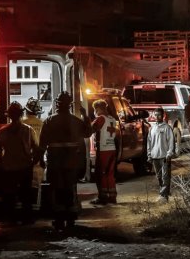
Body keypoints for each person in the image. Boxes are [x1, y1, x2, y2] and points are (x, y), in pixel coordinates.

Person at [39, 91, 92, 230]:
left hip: (55, 162)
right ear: (69, 105)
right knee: (69, 189)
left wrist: (40, 159)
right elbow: (88, 132)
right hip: (72, 162)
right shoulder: (76, 120)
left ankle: (59, 219)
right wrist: (85, 116)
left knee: (57, 189)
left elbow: (42, 143)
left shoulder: (49, 120)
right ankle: (71, 219)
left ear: (57, 104)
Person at [0, 101, 40, 225]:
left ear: (9, 115)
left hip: (9, 167)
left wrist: (0, 165)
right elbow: (36, 148)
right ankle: (27, 218)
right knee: (26, 195)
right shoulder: (28, 130)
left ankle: (12, 219)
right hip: (25, 167)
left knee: (10, 195)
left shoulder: (2, 132)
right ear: (21, 114)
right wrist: (33, 162)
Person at [90, 99, 118, 205]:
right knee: (109, 174)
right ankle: (112, 196)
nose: (95, 111)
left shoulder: (100, 119)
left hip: (103, 149)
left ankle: (102, 197)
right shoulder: (112, 119)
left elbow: (91, 129)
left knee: (100, 174)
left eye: (95, 109)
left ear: (98, 108)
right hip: (112, 148)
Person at [147, 107, 174, 203]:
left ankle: (164, 196)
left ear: (163, 116)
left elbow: (171, 142)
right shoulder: (152, 128)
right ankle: (162, 193)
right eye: (155, 114)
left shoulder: (166, 128)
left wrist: (169, 154)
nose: (157, 116)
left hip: (164, 156)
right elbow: (149, 142)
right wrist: (149, 155)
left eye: (159, 114)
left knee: (165, 177)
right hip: (155, 156)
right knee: (159, 177)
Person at [22, 97, 45, 209]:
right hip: (38, 158)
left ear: (26, 110)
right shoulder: (42, 123)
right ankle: (36, 206)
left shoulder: (22, 124)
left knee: (24, 184)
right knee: (38, 184)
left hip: (24, 159)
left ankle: (24, 207)